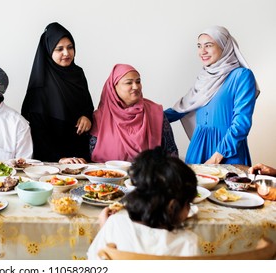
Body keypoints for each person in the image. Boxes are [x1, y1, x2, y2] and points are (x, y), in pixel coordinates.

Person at [165, 26, 259, 165]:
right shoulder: (204, 79)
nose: (202, 51)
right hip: (198, 149)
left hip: (227, 152)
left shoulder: (241, 76)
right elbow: (180, 110)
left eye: (208, 45)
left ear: (224, 46)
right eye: (199, 46)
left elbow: (241, 122)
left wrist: (217, 157)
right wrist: (144, 116)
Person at [87, 147, 199, 260]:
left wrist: (105, 228)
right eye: (188, 203)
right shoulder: (188, 243)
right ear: (172, 207)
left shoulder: (114, 224)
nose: (189, 209)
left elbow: (94, 260)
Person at [21, 22, 94, 162]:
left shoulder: (78, 74)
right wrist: (59, 158)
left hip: (81, 156)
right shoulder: (40, 84)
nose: (66, 53)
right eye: (59, 49)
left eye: (70, 47)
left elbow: (87, 105)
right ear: (49, 51)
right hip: (52, 160)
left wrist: (87, 116)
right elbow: (36, 131)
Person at [89, 64, 178, 163]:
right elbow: (86, 156)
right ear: (113, 87)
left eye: (138, 81)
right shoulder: (98, 118)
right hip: (104, 176)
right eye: (128, 83)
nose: (135, 87)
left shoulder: (155, 113)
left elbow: (171, 153)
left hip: (148, 176)